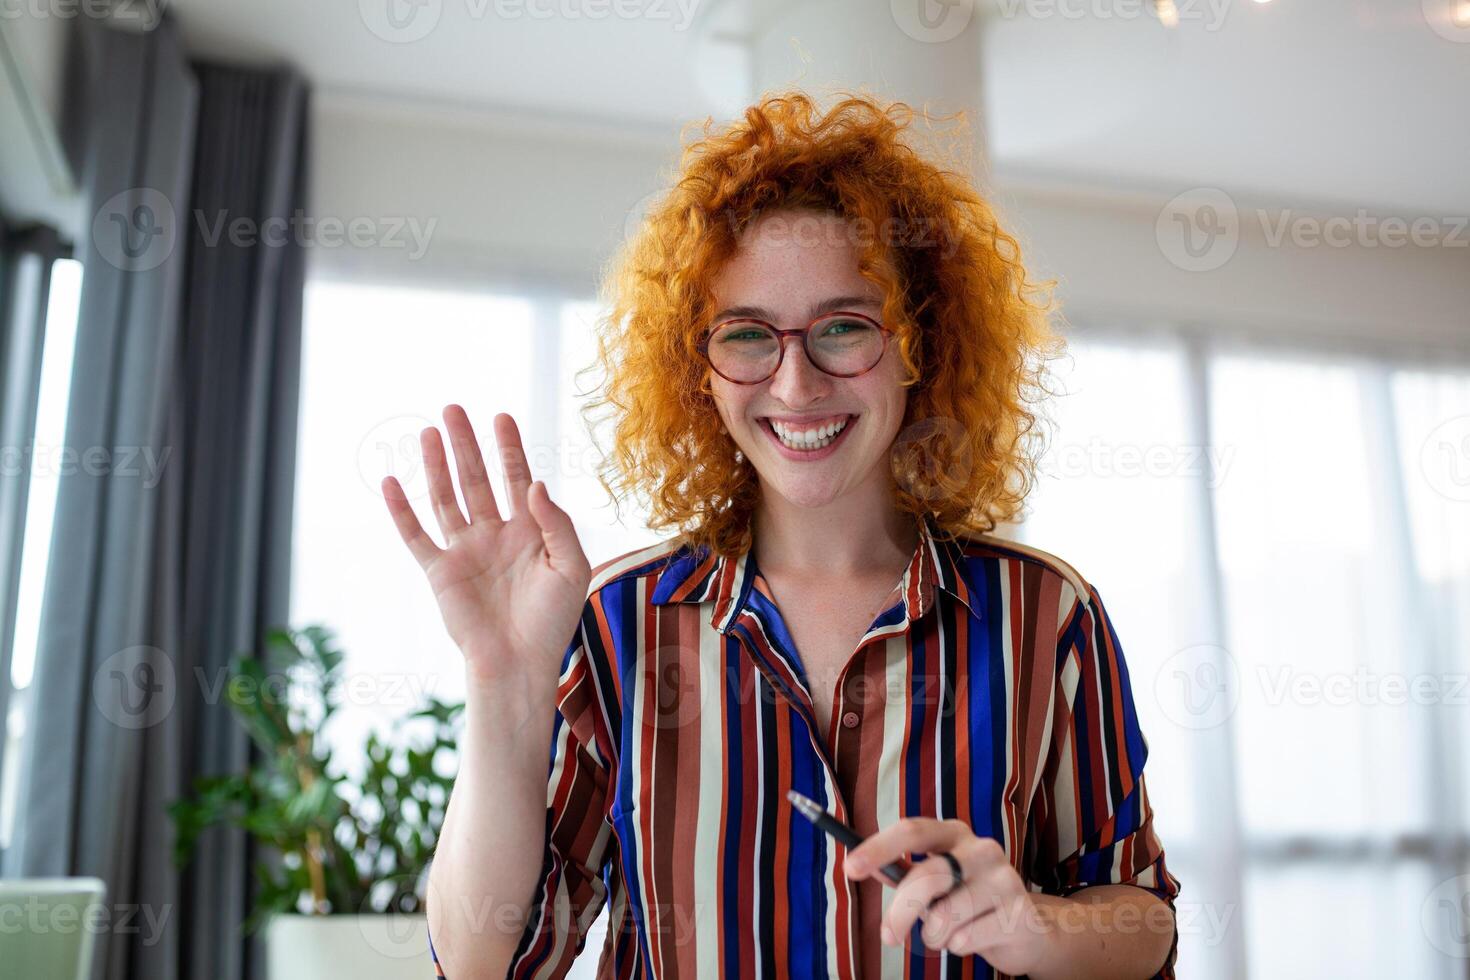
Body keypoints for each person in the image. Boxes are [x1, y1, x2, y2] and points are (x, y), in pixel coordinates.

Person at [383, 90, 1181, 979]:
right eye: (748, 335)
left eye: (844, 327)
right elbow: (484, 958)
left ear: (919, 345)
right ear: (701, 371)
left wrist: (1034, 926)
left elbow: (1142, 919)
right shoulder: (614, 621)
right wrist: (503, 686)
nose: (796, 384)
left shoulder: (1046, 616)